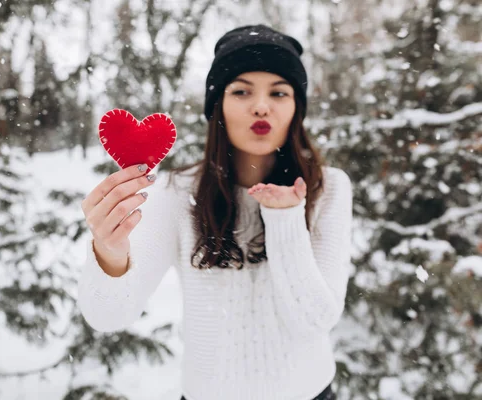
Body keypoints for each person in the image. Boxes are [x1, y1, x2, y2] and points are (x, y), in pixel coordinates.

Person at [79, 24, 352, 400]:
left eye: (279, 92)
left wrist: (287, 217)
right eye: (241, 91)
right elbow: (107, 316)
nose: (261, 105)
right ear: (217, 105)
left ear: (296, 108)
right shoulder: (177, 193)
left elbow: (315, 321)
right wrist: (109, 250)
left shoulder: (329, 188)